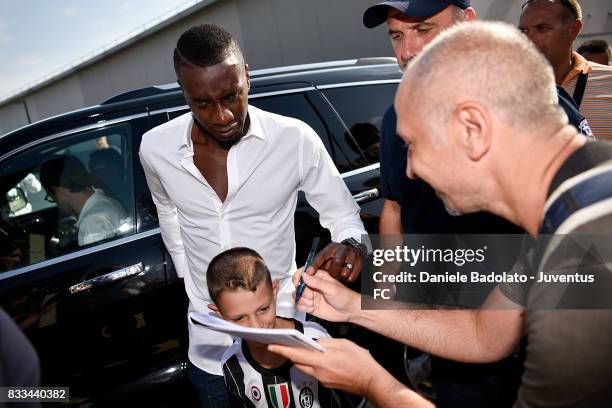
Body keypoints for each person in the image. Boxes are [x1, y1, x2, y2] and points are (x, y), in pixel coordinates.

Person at [270, 21, 612, 407]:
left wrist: (373, 384)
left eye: (414, 145)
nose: (411, 170)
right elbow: (486, 334)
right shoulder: (569, 213)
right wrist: (356, 306)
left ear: (472, 129)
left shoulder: (585, 249)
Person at [138, 24, 367, 407]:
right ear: (185, 94)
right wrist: (189, 279)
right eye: (203, 104)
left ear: (248, 76)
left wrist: (350, 248)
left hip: (285, 345)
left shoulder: (294, 139)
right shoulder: (155, 148)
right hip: (210, 352)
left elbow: (345, 219)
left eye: (231, 96)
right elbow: (168, 211)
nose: (222, 114)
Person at [206, 247, 364, 408]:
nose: (256, 326)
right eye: (239, 318)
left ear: (274, 293)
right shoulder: (232, 364)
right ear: (220, 315)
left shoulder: (316, 340)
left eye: (263, 309)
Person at [519, 0, 612, 140]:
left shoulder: (609, 82)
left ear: (573, 30)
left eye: (541, 28)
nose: (529, 39)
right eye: (524, 30)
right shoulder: (504, 86)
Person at [39, 155, 128, 247]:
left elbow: (94, 261)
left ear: (57, 191)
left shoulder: (91, 224)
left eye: (51, 197)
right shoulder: (108, 201)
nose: (57, 203)